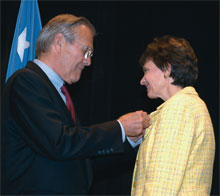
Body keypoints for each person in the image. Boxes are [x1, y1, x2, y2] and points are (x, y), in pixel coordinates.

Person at [1, 14, 151, 195]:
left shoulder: (59, 93)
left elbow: (79, 159)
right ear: (59, 43)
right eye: (86, 51)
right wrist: (119, 127)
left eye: (91, 54)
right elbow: (60, 143)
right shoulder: (26, 82)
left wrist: (128, 139)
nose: (88, 61)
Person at [131, 35, 215, 195]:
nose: (142, 80)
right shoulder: (188, 106)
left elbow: (161, 188)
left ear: (167, 69)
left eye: (146, 70)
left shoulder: (178, 109)